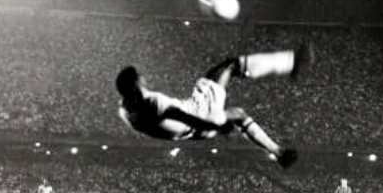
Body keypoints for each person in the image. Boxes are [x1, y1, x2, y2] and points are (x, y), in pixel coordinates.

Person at [115, 45, 313, 167]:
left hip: (192, 129)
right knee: (230, 65)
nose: (144, 78)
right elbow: (183, 117)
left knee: (237, 114)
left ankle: (279, 153)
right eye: (140, 77)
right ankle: (292, 61)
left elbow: (164, 124)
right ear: (137, 83)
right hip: (200, 115)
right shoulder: (152, 103)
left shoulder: (126, 111)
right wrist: (216, 126)